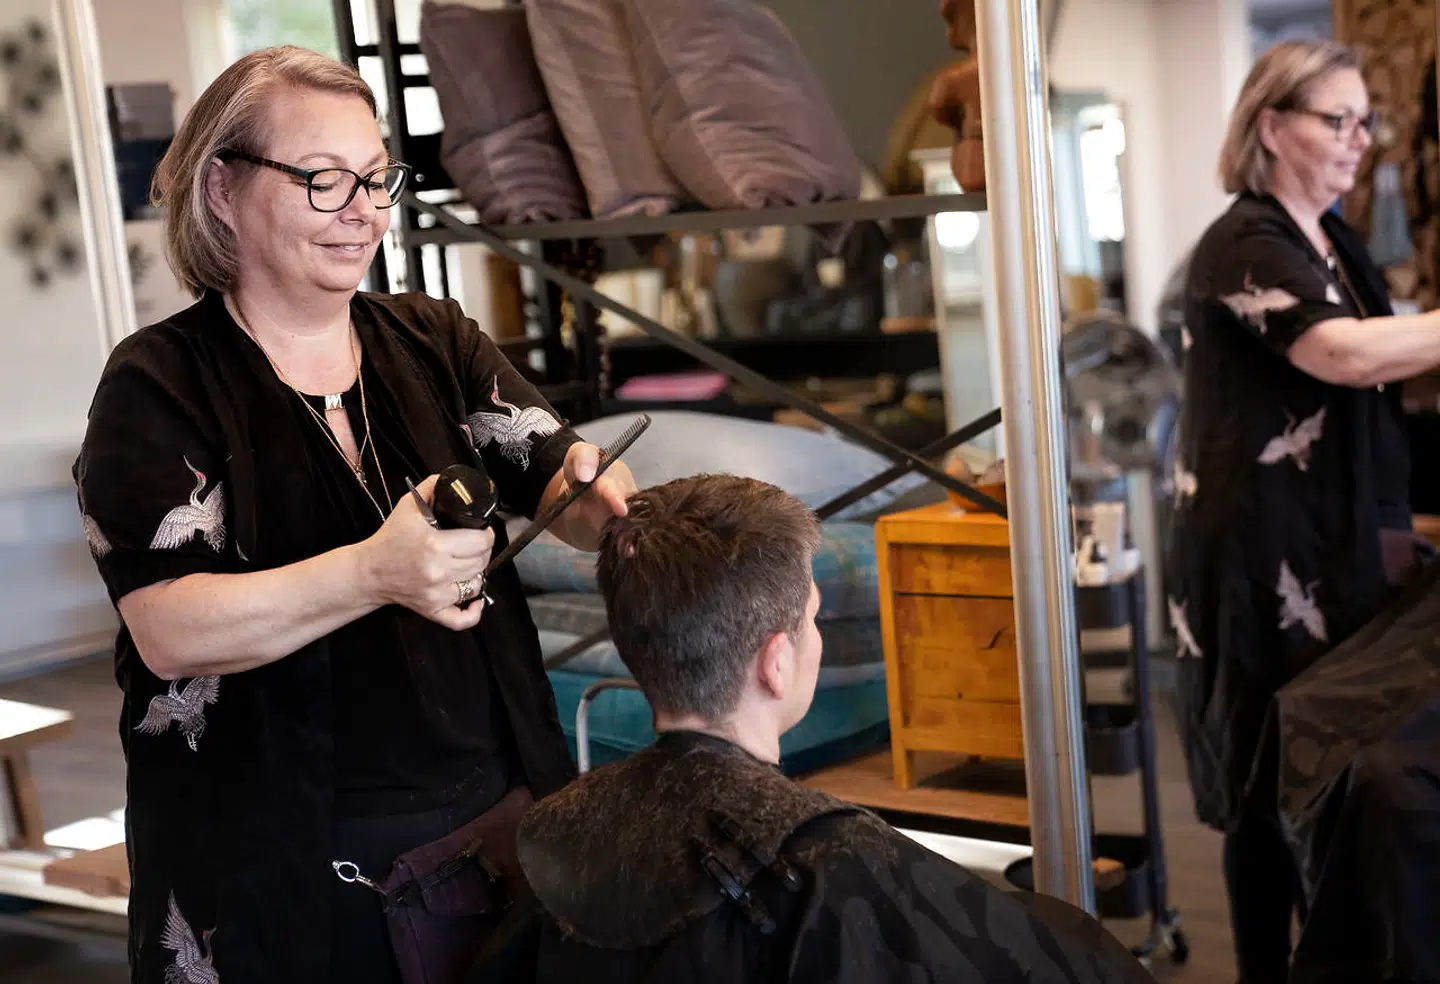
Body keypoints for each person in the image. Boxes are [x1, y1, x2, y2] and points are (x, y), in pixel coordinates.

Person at [72, 46, 636, 984]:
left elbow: (561, 488)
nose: (366, 213)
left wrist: (593, 494)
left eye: (378, 180)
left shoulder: (434, 340)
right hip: (283, 860)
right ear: (223, 189)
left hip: (491, 818)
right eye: (326, 181)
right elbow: (168, 629)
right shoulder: (158, 384)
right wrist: (374, 571)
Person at [490, 474, 1154, 982]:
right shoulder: (825, 860)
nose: (816, 633)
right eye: (809, 616)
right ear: (776, 663)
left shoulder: (561, 828)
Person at [1166, 39, 1440, 983]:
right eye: (1339, 119)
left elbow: (1383, 385)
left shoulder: (1337, 240)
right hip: (1256, 557)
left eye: (1367, 120)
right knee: (1261, 775)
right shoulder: (1245, 244)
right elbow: (1348, 358)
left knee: (1327, 770)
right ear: (1272, 126)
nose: (1360, 139)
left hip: (1332, 545)